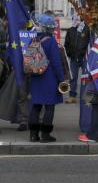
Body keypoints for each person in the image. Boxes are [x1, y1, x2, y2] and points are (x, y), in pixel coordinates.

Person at [26, 13, 67, 142]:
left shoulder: (34, 40)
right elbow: (56, 63)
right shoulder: (51, 42)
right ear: (51, 29)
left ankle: (33, 134)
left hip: (36, 76)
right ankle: (45, 134)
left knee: (36, 105)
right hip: (49, 78)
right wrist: (62, 79)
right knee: (49, 106)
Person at [63, 14, 90, 104]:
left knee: (86, 76)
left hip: (84, 57)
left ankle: (87, 95)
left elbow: (89, 42)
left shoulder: (87, 29)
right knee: (73, 77)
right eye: (75, 19)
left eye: (79, 19)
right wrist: (69, 53)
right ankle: (72, 96)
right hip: (74, 58)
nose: (77, 21)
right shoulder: (71, 30)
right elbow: (66, 43)